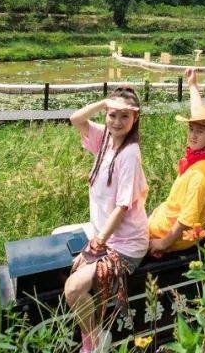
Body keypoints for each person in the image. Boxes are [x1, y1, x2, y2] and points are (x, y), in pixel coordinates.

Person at [66, 86, 148, 353]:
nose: (117, 122)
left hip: (124, 244)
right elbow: (76, 119)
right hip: (104, 234)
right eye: (112, 115)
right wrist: (104, 102)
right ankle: (93, 336)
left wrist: (96, 246)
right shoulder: (105, 140)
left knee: (74, 287)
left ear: (135, 118)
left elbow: (123, 207)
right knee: (60, 236)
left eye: (125, 116)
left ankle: (94, 341)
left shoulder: (130, 154)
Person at [147, 69, 205, 255]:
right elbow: (198, 113)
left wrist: (163, 243)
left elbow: (186, 219)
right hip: (166, 218)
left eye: (199, 132)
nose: (192, 136)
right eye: (191, 129)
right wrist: (192, 84)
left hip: (170, 235)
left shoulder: (199, 175)